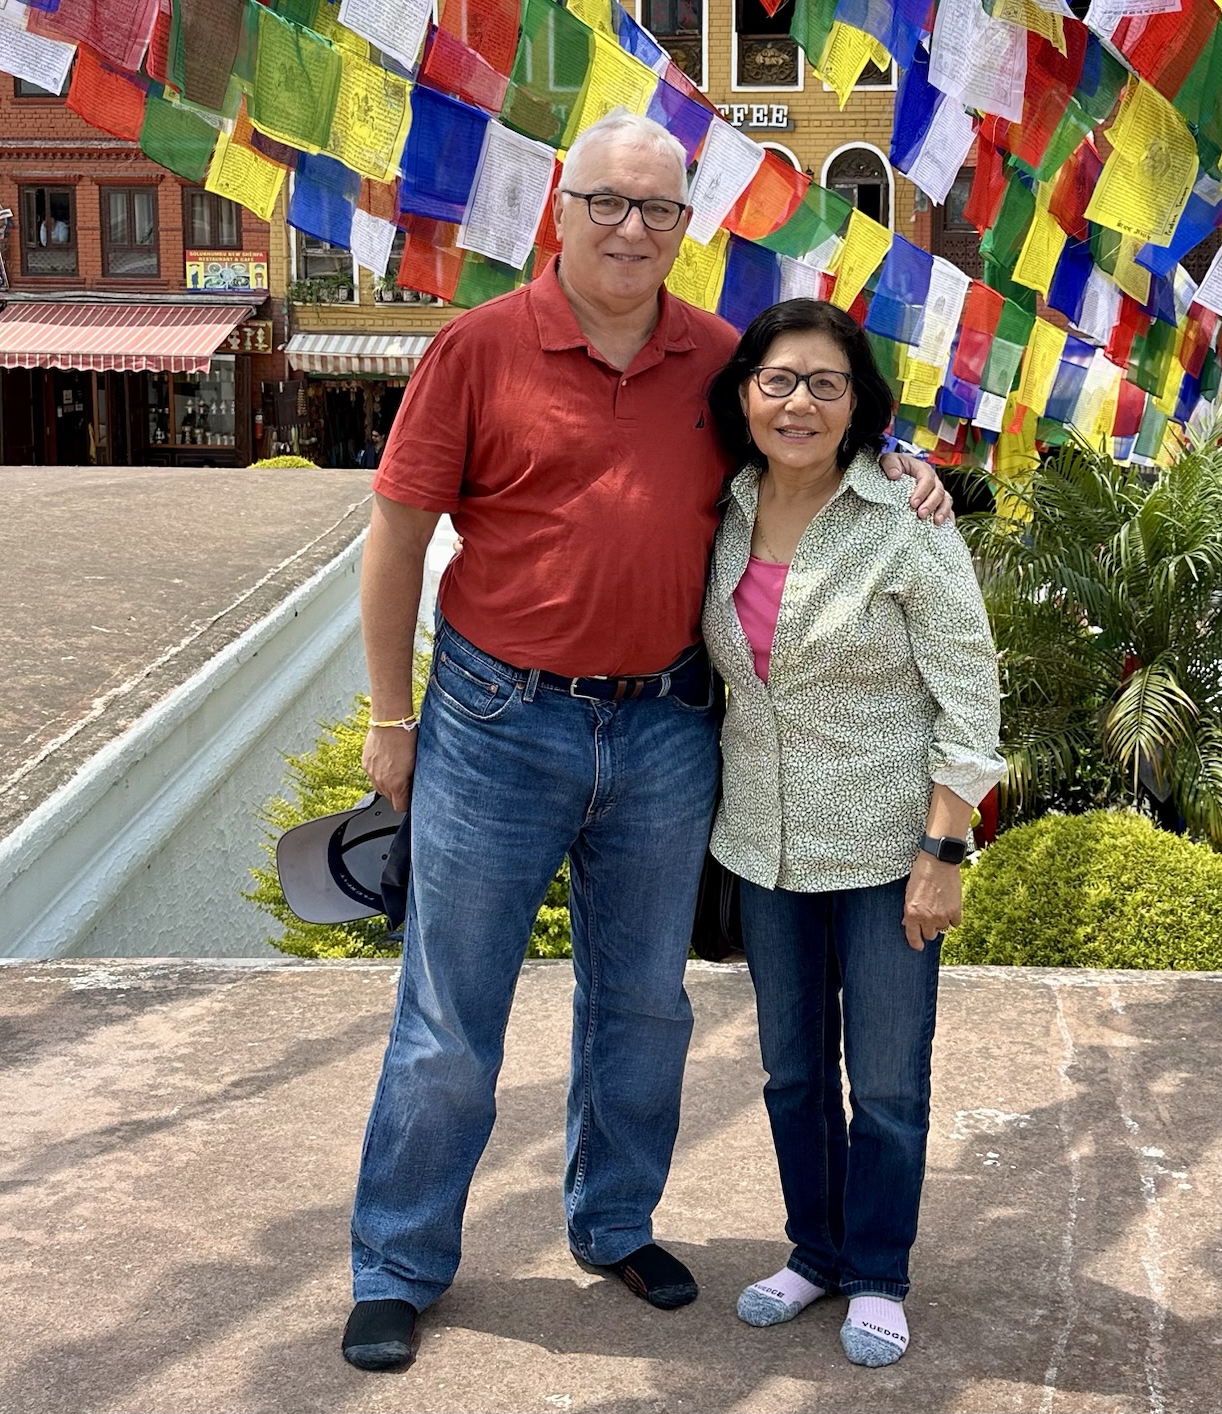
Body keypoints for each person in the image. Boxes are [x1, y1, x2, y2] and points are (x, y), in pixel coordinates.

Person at [343, 110, 950, 1375]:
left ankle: (613, 1220)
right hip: (496, 723)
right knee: (450, 1015)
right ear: (560, 208)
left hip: (667, 726)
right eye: (609, 203)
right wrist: (389, 719)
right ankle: (397, 1262)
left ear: (686, 224)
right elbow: (395, 538)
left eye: (659, 209)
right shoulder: (477, 348)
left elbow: (812, 422)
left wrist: (904, 465)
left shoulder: (717, 358)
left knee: (641, 1005)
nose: (631, 228)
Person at [700, 300, 1004, 1368]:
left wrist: (943, 851)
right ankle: (814, 1252)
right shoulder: (724, 509)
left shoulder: (906, 519)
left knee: (884, 1084)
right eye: (779, 380)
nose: (799, 403)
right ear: (746, 394)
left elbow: (970, 699)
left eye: (824, 384)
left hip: (887, 854)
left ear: (858, 404)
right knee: (790, 1074)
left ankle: (877, 1270)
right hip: (765, 847)